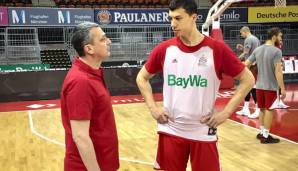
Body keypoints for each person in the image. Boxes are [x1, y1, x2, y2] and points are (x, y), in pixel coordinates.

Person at [136, 0, 254, 170]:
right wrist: (153, 108)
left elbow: (248, 79)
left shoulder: (217, 49)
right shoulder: (164, 49)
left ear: (194, 17)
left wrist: (226, 112)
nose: (173, 24)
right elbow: (141, 78)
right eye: (170, 19)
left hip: (203, 130)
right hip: (171, 129)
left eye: (178, 18)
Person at [60, 22, 119, 171]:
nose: (109, 41)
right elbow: (80, 137)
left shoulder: (92, 73)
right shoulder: (82, 81)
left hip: (103, 162)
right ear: (89, 49)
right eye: (103, 39)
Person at [245, 27, 286, 144]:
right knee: (269, 110)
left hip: (259, 86)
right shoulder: (277, 51)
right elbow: (278, 71)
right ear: (274, 37)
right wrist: (282, 88)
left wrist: (247, 78)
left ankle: (262, 132)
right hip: (271, 87)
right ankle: (266, 136)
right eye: (280, 36)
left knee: (262, 109)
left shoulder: (257, 50)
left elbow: (246, 64)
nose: (281, 38)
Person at [236, 26, 260, 118]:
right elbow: (251, 52)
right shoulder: (256, 39)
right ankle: (246, 108)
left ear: (245, 31)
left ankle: (258, 110)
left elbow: (246, 53)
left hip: (251, 66)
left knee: (253, 87)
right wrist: (242, 48)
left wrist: (236, 59)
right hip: (254, 64)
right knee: (247, 86)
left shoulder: (248, 39)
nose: (241, 35)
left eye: (241, 33)